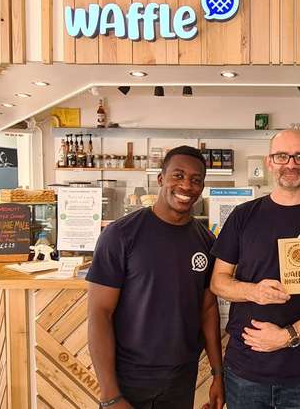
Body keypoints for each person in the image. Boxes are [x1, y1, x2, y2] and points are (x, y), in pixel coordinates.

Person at [210, 129, 300, 409]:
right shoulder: (243, 216)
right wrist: (254, 291)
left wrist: (287, 336)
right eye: (282, 156)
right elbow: (218, 282)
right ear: (270, 162)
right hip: (245, 372)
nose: (291, 164)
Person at [86, 146, 224, 409]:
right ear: (161, 179)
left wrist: (218, 374)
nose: (186, 185)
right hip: (129, 377)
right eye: (178, 175)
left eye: (196, 180)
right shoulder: (120, 235)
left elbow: (208, 309)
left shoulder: (207, 242)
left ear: (202, 187)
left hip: (182, 377)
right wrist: (110, 394)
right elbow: (99, 313)